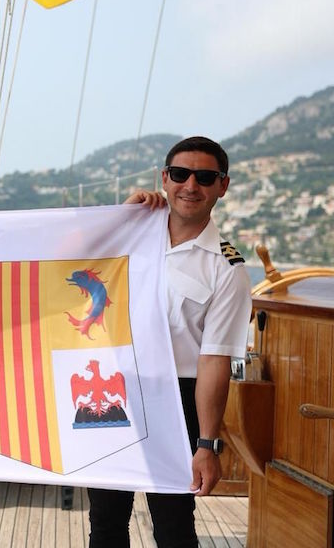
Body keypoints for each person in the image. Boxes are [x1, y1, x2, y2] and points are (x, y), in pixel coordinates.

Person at [86, 136, 252, 547]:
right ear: (165, 178)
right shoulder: (130, 235)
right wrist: (122, 214)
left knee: (174, 526)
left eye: (205, 177)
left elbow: (214, 361)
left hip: (179, 398)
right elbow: (68, 259)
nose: (190, 185)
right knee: (105, 522)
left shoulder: (227, 268)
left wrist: (207, 445)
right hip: (114, 390)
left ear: (222, 186)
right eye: (180, 174)